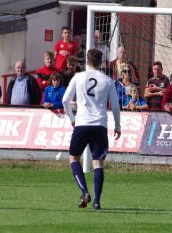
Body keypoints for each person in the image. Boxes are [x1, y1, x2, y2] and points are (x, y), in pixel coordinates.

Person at [62, 48, 121, 210]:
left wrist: (72, 119)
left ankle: (84, 192)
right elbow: (115, 106)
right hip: (99, 125)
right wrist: (117, 126)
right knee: (98, 164)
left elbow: (65, 100)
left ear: (86, 61)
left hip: (82, 123)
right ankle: (96, 201)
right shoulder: (108, 80)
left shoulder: (78, 77)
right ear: (101, 62)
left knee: (74, 158)